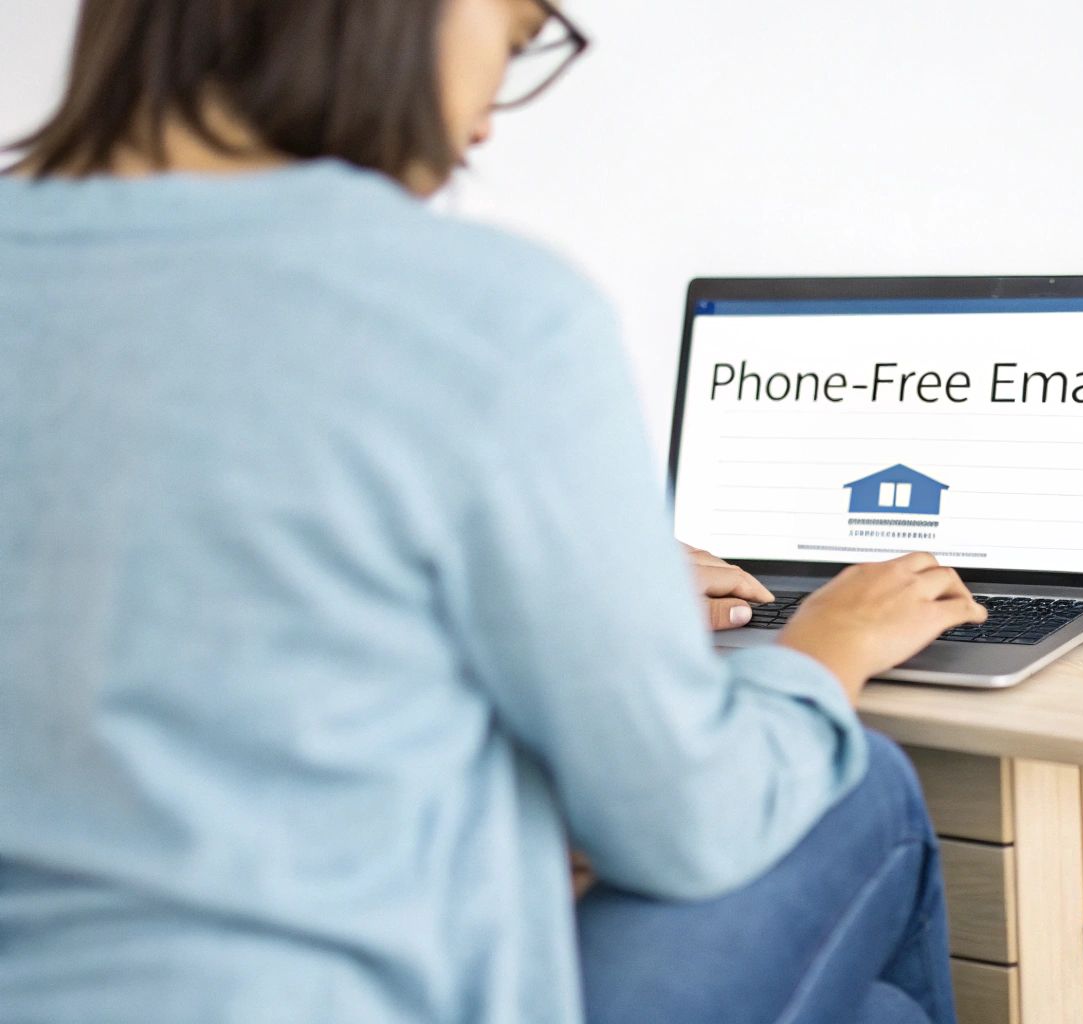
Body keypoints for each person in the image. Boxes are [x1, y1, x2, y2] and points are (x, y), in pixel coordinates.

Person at [0, 1, 988, 1022]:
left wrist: (585, 595)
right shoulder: (482, 313)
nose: (484, 122)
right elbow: (684, 819)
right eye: (513, 40)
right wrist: (824, 646)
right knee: (858, 776)